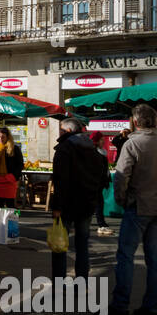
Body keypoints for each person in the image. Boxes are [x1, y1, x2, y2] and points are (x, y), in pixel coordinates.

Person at [110, 104, 157, 315]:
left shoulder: (132, 144)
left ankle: (121, 304)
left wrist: (121, 200)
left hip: (138, 205)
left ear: (135, 122)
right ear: (155, 122)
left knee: (126, 256)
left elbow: (121, 176)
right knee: (155, 258)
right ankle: (150, 306)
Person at [51, 117, 108, 279]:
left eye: (61, 129)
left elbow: (60, 180)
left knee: (59, 246)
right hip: (87, 204)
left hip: (66, 204)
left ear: (68, 131)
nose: (59, 132)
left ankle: (58, 281)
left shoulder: (64, 149)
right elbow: (100, 178)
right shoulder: (93, 150)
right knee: (82, 245)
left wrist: (57, 206)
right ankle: (81, 279)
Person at [0, 127, 24, 211]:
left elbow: (20, 164)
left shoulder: (15, 148)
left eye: (2, 137)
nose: (0, 139)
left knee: (11, 207)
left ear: (7, 137)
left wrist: (13, 177)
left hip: (9, 181)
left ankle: (12, 224)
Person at [91, 131, 114, 236]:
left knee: (98, 203)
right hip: (95, 183)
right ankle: (101, 225)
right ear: (96, 141)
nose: (103, 142)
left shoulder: (101, 151)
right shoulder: (94, 153)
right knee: (98, 204)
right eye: (101, 140)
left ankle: (102, 224)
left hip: (99, 183)